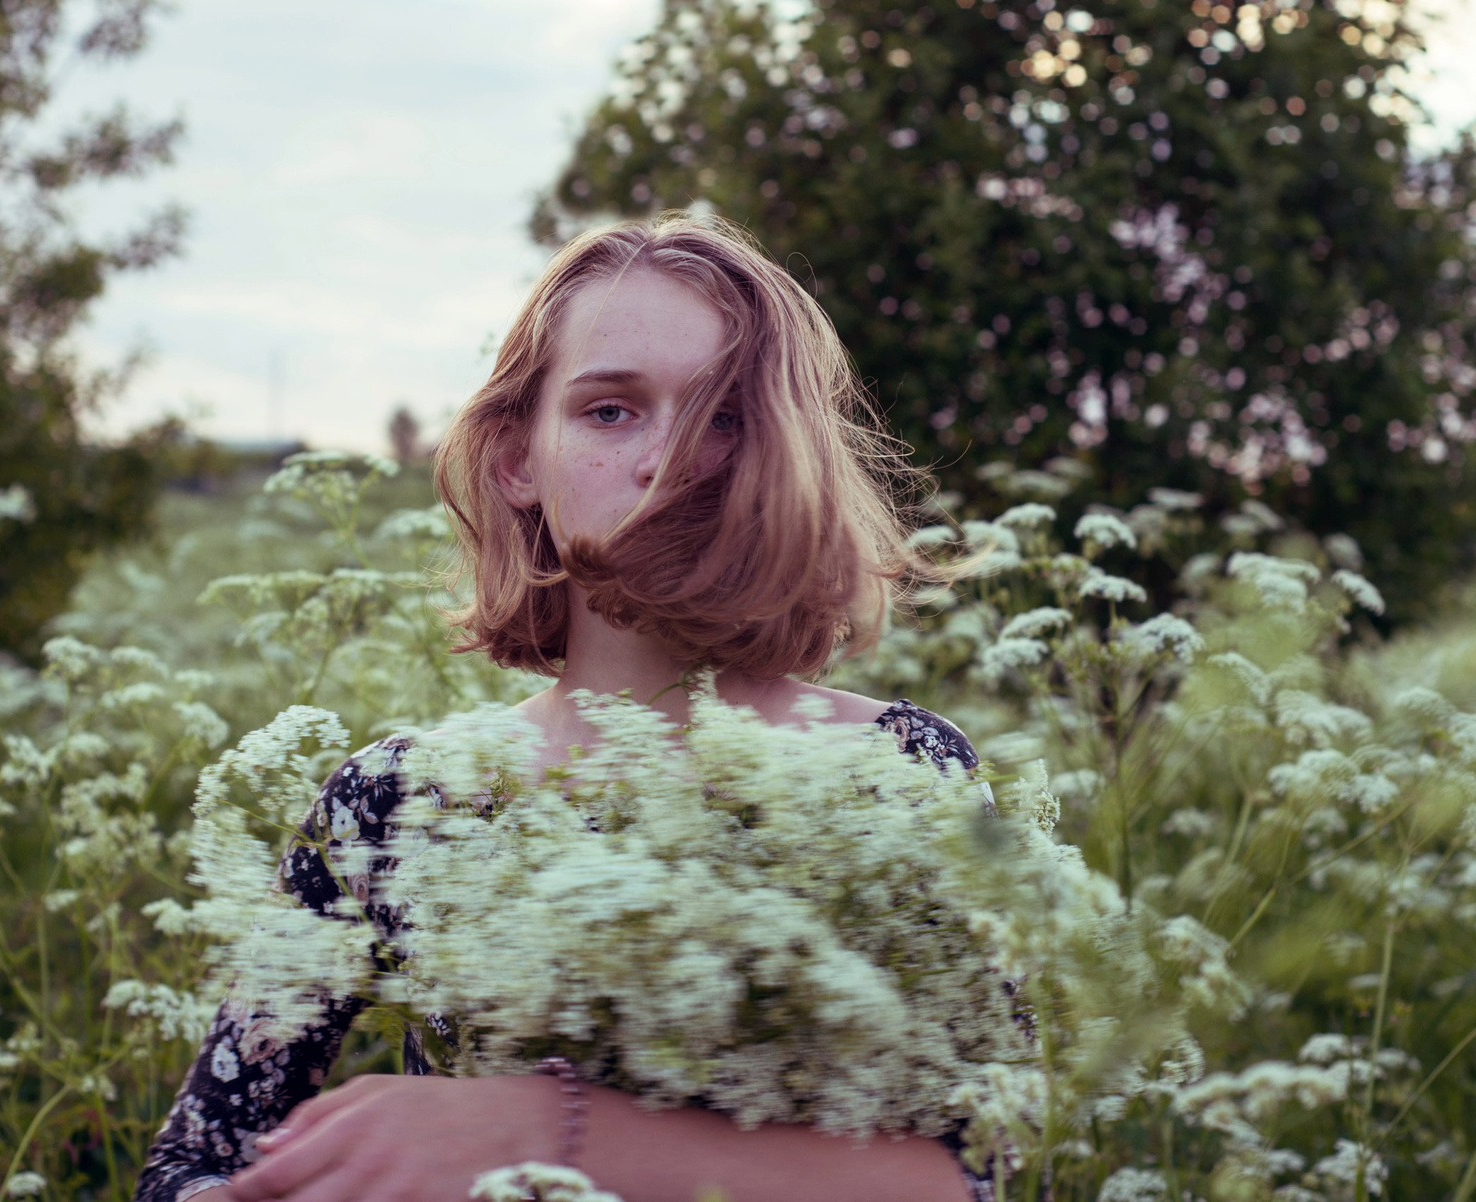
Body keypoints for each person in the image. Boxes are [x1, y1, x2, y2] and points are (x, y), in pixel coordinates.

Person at [133, 214, 1009, 1202]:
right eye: (610, 411)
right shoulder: (396, 802)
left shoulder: (900, 772)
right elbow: (190, 1167)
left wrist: (549, 1130)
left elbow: (985, 1173)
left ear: (786, 452)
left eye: (725, 416)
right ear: (518, 461)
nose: (670, 460)